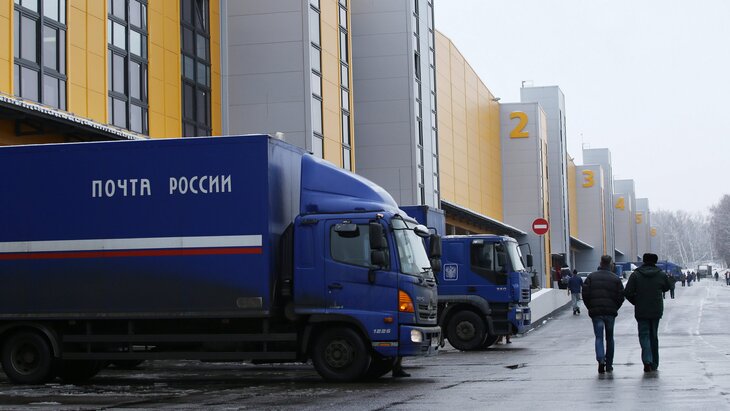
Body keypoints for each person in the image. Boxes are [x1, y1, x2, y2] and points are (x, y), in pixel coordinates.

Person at [624, 253, 672, 372]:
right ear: (655, 261)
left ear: (644, 261)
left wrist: (636, 302)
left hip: (641, 310)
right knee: (654, 336)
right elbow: (667, 287)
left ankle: (647, 361)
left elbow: (628, 292)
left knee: (644, 335)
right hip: (656, 310)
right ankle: (654, 363)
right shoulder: (661, 274)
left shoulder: (636, 275)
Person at [582, 255, 625, 374]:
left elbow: (585, 294)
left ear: (600, 263)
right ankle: (609, 364)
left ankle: (601, 360)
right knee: (610, 338)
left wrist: (591, 307)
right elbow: (621, 296)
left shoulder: (591, 277)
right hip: (610, 313)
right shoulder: (615, 279)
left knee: (599, 337)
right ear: (610, 264)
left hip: (596, 313)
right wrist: (615, 307)